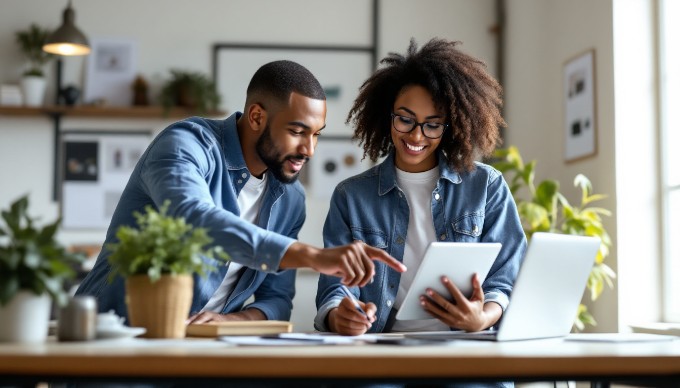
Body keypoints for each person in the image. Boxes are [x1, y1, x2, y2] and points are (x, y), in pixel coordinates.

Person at [76, 60, 406, 324]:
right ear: (257, 116)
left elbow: (276, 301)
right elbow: (195, 218)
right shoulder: (185, 144)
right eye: (297, 131)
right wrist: (313, 256)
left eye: (316, 134)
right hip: (116, 338)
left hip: (203, 352)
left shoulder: (290, 200)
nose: (309, 149)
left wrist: (228, 319)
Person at [315, 38, 527, 339]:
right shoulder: (351, 197)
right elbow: (335, 288)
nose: (416, 135)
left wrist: (482, 317)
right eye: (405, 119)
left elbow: (506, 278)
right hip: (384, 347)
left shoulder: (486, 187)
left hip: (465, 347)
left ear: (450, 125)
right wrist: (340, 317)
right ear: (387, 116)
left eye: (432, 124)